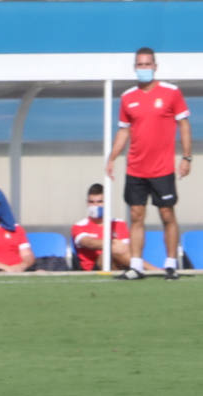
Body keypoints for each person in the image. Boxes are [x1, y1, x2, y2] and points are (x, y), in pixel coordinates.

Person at [106, 47, 191, 281]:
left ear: (155, 66)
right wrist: (112, 157)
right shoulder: (127, 97)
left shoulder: (171, 93)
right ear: (135, 67)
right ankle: (136, 266)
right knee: (136, 215)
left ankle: (171, 264)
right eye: (139, 65)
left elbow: (184, 124)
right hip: (135, 168)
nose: (143, 68)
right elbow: (124, 130)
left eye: (147, 64)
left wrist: (186, 156)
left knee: (166, 214)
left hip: (162, 169)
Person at [72, 182, 147, 272]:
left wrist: (114, 246)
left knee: (119, 250)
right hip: (94, 267)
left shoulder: (119, 223)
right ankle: (153, 270)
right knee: (111, 250)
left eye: (99, 202)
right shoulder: (79, 226)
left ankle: (141, 270)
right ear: (87, 203)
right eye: (91, 202)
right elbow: (88, 243)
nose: (95, 206)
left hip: (120, 263)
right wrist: (112, 243)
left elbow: (125, 248)